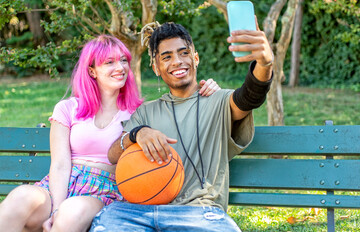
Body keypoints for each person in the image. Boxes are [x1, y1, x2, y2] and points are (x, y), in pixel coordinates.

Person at [0, 35, 219, 232]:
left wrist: (208, 89)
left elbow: (181, 102)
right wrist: (55, 208)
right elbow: (59, 165)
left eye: (123, 60)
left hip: (104, 189)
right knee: (21, 198)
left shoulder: (139, 111)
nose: (120, 67)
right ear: (92, 70)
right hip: (62, 183)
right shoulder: (68, 108)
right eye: (110, 62)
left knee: (71, 213)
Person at [90, 20, 273, 232]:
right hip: (139, 212)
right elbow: (114, 155)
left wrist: (265, 64)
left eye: (184, 53)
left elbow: (250, 96)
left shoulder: (219, 100)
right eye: (166, 57)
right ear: (156, 68)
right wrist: (136, 134)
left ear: (195, 58)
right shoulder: (145, 112)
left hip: (200, 213)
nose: (177, 61)